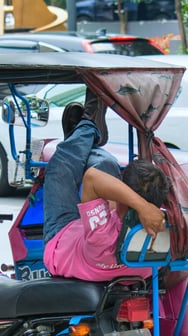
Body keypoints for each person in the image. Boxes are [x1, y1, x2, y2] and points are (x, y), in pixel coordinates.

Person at [43, 94, 169, 281]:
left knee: (62, 165)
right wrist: (145, 208)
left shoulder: (103, 237)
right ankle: (82, 132)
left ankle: (86, 127)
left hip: (61, 241)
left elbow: (92, 179)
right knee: (104, 164)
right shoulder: (167, 230)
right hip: (109, 255)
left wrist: (142, 207)